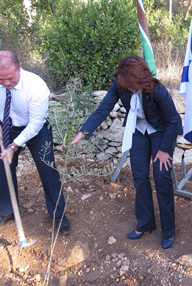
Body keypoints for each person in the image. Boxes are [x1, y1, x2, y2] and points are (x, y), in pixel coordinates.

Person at [71, 55, 182, 249]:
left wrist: (164, 150)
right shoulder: (121, 83)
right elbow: (103, 109)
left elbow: (174, 121)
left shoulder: (158, 90)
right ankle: (145, 223)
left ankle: (169, 230)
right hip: (138, 130)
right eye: (126, 86)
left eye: (132, 86)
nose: (128, 90)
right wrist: (82, 133)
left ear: (141, 80)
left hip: (161, 134)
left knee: (162, 177)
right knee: (139, 176)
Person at [0, 50, 70, 235]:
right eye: (0, 80)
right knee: (2, 167)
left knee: (48, 169)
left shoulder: (36, 85)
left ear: (19, 67)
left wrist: (14, 146)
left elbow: (35, 124)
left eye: (10, 78)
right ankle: (7, 212)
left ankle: (58, 214)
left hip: (36, 129)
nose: (6, 83)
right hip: (5, 127)